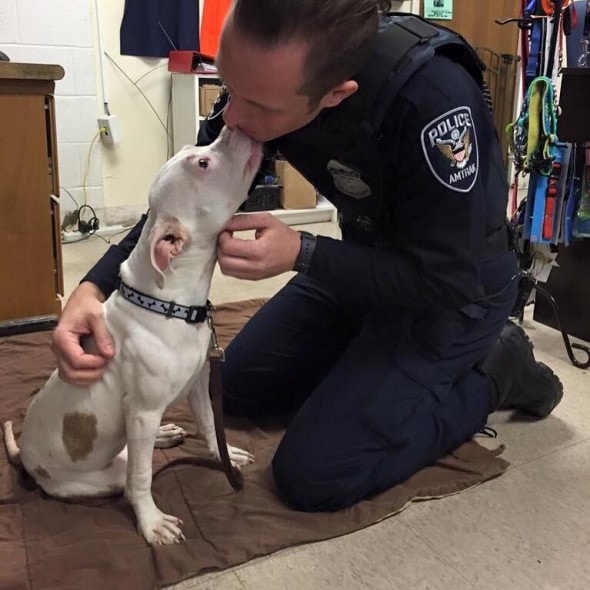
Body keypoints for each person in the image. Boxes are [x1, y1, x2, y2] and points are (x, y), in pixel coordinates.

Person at [53, 0, 563, 512]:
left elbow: (448, 278)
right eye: (230, 84)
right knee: (233, 389)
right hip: (358, 266)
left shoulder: (433, 103)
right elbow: (179, 205)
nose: (233, 119)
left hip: (453, 294)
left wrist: (304, 252)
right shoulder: (267, 80)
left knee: (316, 475)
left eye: (260, 107)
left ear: (337, 94)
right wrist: (92, 288)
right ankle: (364, 370)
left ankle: (501, 367)